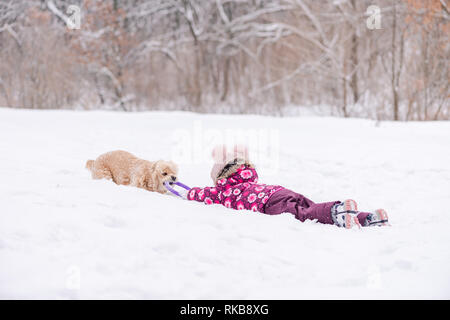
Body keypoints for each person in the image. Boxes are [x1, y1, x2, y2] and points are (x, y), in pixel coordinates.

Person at [185, 145, 389, 229]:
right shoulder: (250, 181)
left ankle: (337, 211)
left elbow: (200, 194)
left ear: (221, 177)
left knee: (304, 214)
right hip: (280, 191)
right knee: (311, 207)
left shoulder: (223, 190)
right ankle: (366, 218)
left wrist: (187, 191)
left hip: (269, 203)